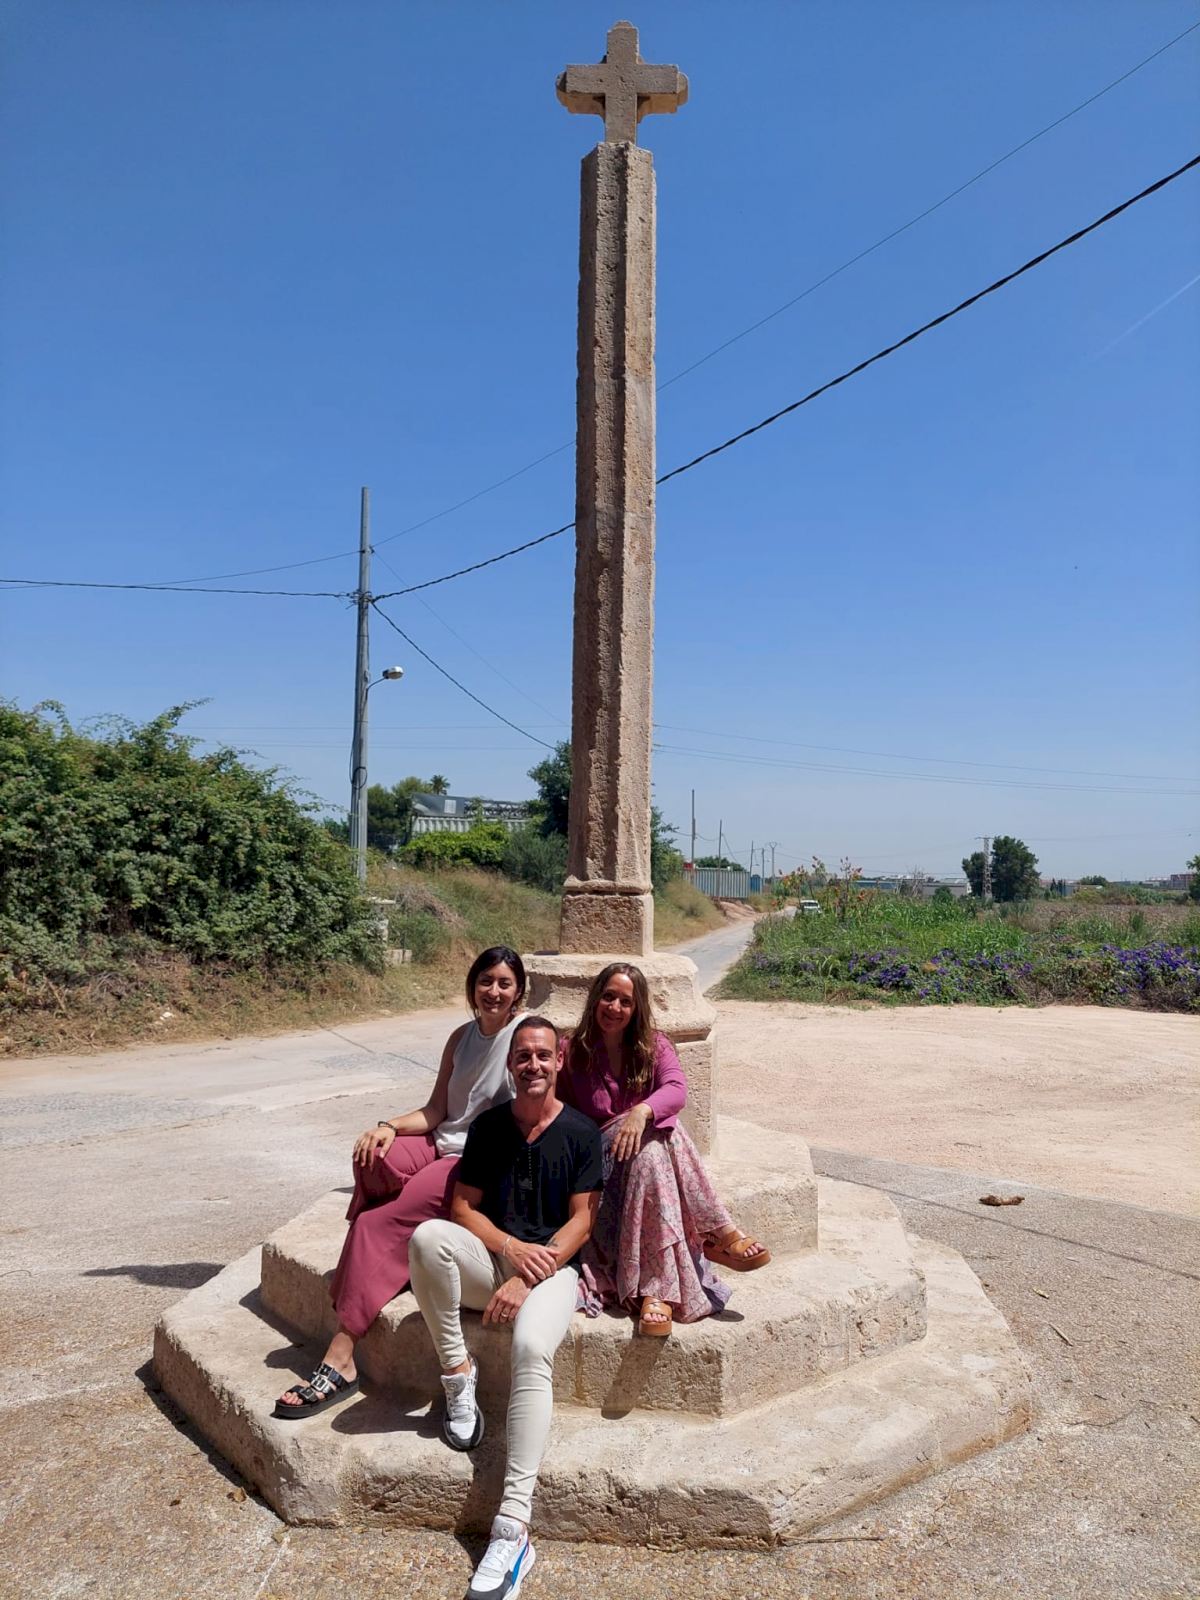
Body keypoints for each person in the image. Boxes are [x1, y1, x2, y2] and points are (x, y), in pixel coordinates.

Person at [273, 946, 526, 1418]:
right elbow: (437, 1110)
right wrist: (387, 1125)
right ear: (472, 985)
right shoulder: (461, 1037)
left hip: (474, 1158)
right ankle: (392, 1258)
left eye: (504, 983)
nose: (493, 991)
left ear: (519, 992)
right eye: (485, 981)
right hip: (442, 1139)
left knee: (375, 1223)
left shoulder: (522, 1037)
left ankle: (341, 1355)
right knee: (372, 1156)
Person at [408, 1015, 602, 1600]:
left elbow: (583, 1221)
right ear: (511, 1065)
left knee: (530, 1347)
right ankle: (457, 1372)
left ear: (559, 1060)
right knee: (428, 1240)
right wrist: (509, 1251)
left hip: (556, 1271)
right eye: (522, 1056)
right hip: (496, 1260)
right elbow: (462, 1208)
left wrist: (528, 1272)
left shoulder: (581, 1132)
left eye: (543, 1055)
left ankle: (514, 1525)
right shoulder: (490, 1127)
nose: (533, 1065)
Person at [559, 961, 770, 1339]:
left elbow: (676, 1089)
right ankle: (720, 1232)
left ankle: (657, 1290)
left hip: (644, 1166)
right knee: (667, 1133)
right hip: (602, 1166)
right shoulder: (573, 1050)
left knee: (656, 1146)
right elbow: (557, 1113)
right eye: (608, 997)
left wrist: (641, 1111)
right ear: (595, 999)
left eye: (626, 1001)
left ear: (637, 1007)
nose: (615, 1007)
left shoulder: (654, 1045)